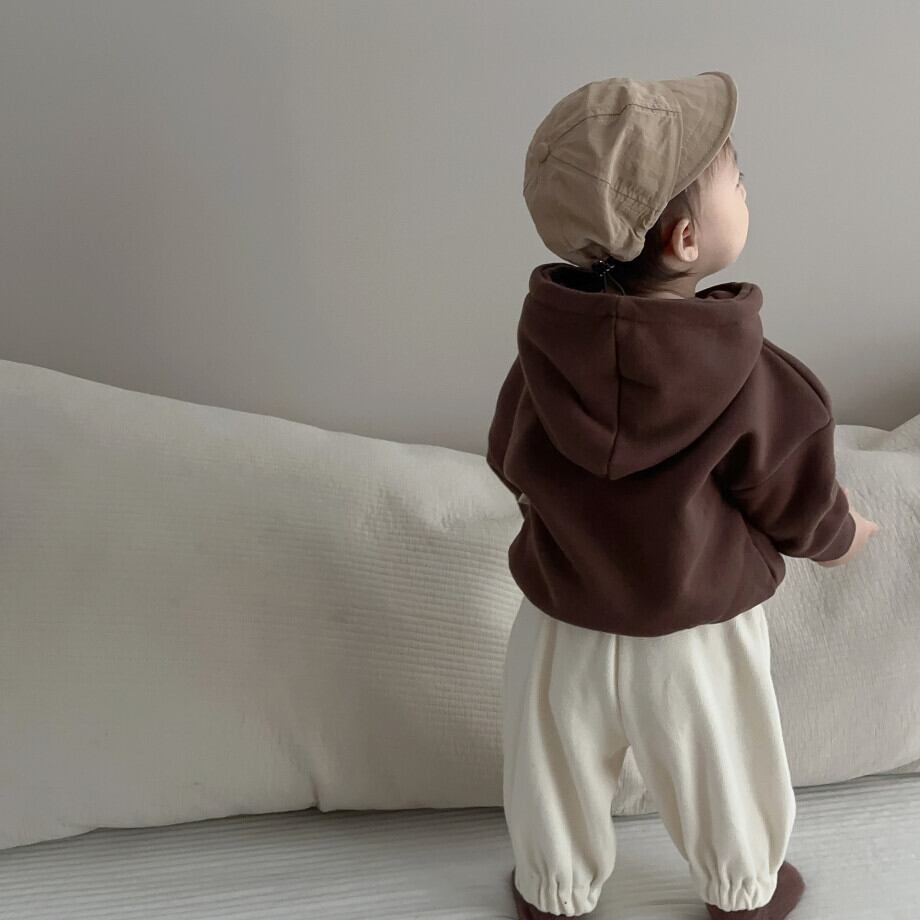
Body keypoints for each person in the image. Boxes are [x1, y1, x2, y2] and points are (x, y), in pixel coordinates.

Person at [486, 72, 880, 919]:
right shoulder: (748, 372)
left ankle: (553, 891)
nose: (746, 184)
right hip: (695, 632)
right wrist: (843, 535)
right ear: (687, 238)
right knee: (725, 765)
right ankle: (742, 891)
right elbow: (794, 491)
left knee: (551, 765)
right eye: (737, 176)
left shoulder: (543, 359)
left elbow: (509, 457)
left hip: (563, 621)